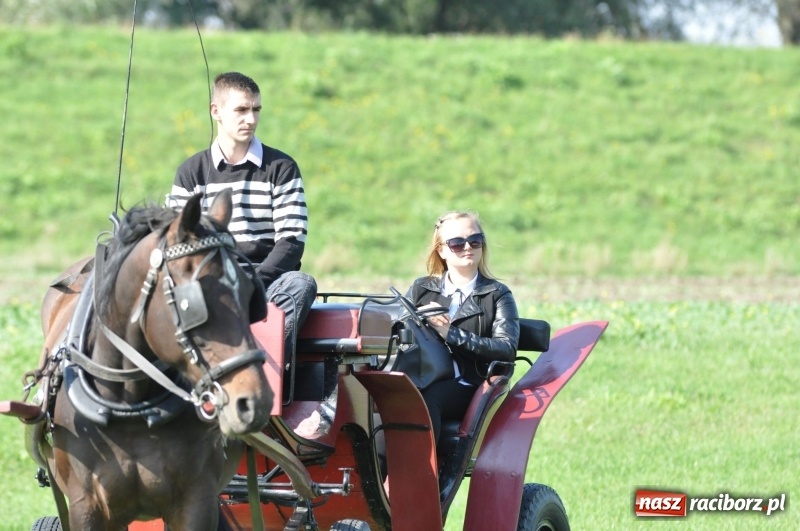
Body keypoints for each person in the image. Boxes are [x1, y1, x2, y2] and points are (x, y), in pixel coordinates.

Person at [166, 71, 316, 355]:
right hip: (209, 281)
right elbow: (178, 242)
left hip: (266, 283)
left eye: (256, 109)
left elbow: (292, 242)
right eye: (241, 110)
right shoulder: (190, 172)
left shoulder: (281, 168)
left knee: (301, 284)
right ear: (216, 111)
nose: (251, 119)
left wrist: (251, 285)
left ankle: (259, 362)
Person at [404, 211, 520, 447]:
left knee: (427, 398)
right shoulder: (421, 289)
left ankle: (424, 479)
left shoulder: (497, 294)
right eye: (457, 243)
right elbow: (398, 331)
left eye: (474, 240)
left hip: (470, 384)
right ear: (442, 250)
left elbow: (506, 348)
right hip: (420, 375)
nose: (467, 247)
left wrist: (450, 334)